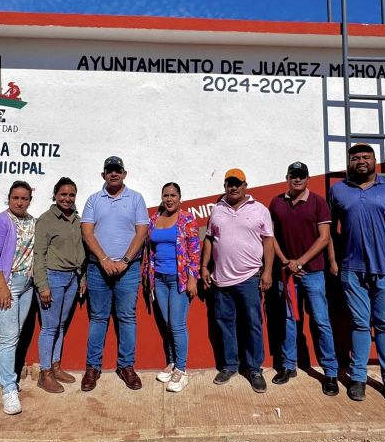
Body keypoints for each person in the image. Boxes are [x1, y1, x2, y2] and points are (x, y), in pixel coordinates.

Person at [328, 143, 385, 407]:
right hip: (352, 271)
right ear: (349, 163)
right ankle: (357, 378)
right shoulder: (339, 191)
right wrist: (334, 261)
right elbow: (329, 229)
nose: (361, 161)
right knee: (358, 325)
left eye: (366, 157)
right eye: (355, 158)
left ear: (375, 160)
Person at [268, 162, 339, 396]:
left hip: (314, 273)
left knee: (321, 321)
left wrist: (300, 261)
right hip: (287, 273)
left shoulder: (318, 202)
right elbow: (271, 237)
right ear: (287, 177)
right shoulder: (277, 203)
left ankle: (330, 373)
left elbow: (324, 238)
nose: (297, 179)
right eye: (293, 175)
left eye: (301, 176)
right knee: (289, 321)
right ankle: (289, 366)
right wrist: (287, 261)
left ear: (307, 178)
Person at [201, 168, 274, 393]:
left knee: (252, 324)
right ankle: (230, 365)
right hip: (221, 280)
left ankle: (254, 369)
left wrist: (268, 271)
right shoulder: (217, 210)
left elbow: (268, 242)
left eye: (237, 183)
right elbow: (210, 239)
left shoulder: (259, 210)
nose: (233, 187)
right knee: (225, 323)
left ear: (245, 186)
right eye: (229, 183)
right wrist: (204, 266)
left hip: (249, 277)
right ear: (224, 186)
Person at [80, 156, 150, 392]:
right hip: (98, 269)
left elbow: (141, 233)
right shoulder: (93, 200)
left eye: (117, 170)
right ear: (103, 175)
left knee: (127, 317)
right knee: (98, 318)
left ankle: (126, 366)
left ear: (124, 173)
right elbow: (87, 232)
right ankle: (93, 367)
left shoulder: (136, 199)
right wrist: (104, 259)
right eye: (109, 170)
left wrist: (126, 261)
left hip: (128, 270)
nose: (113, 174)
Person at [142, 182, 201, 393]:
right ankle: (173, 362)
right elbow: (149, 250)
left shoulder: (187, 220)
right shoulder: (153, 220)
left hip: (180, 279)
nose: (169, 199)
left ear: (180, 198)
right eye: (166, 195)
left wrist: (193, 278)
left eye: (173, 195)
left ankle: (182, 370)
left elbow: (195, 251)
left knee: (177, 324)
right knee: (167, 323)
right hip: (159, 278)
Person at [0, 181, 37, 415]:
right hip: (5, 284)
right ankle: (8, 388)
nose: (19, 202)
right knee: (9, 337)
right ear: (9, 198)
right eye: (15, 197)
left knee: (14, 333)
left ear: (29, 200)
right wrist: (2, 287)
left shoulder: (31, 221)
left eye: (24, 198)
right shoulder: (1, 221)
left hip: (26, 285)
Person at [33, 177, 87, 394]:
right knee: (49, 327)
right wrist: (42, 285)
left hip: (72, 278)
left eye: (71, 195)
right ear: (55, 195)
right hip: (52, 278)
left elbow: (79, 251)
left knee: (60, 325)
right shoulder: (46, 220)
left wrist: (81, 277)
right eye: (63, 194)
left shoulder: (76, 218)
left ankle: (56, 366)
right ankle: (44, 373)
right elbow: (38, 254)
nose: (67, 198)